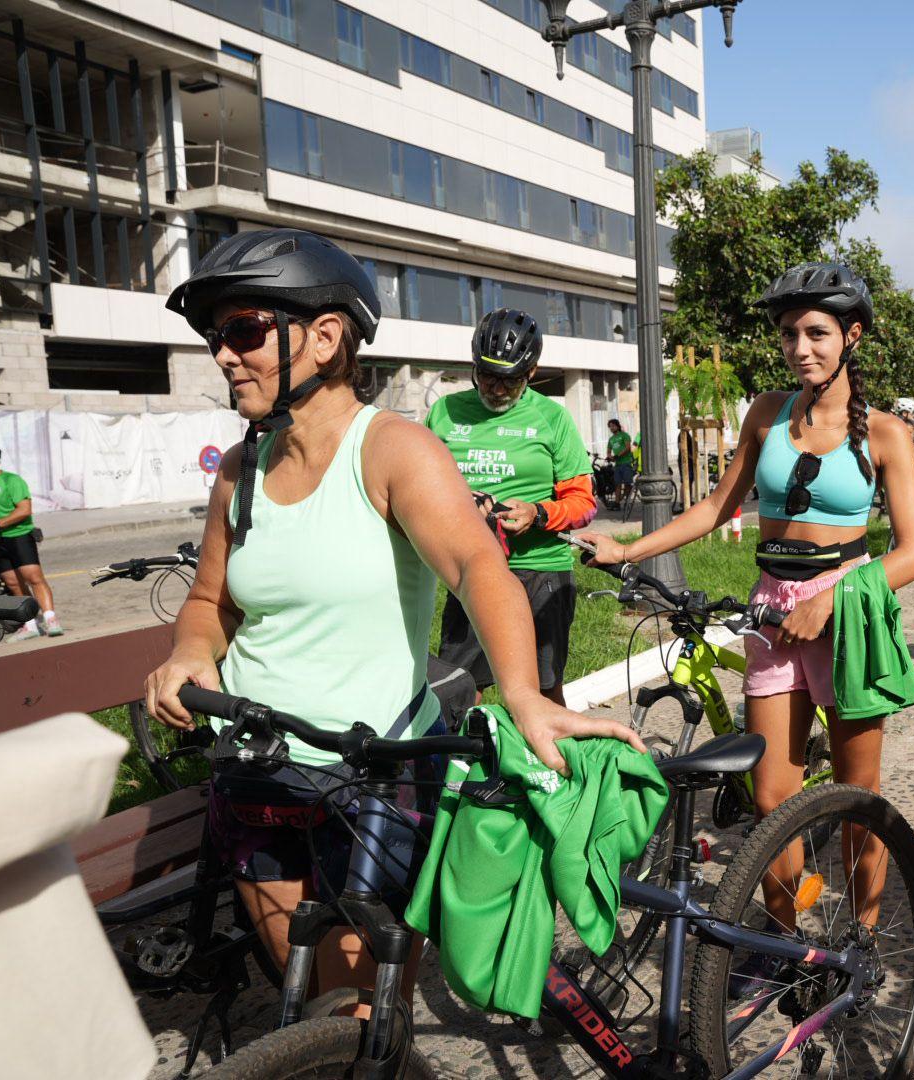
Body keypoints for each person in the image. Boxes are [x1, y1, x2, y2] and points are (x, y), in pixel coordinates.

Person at [143, 228, 641, 1011]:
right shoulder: (239, 471)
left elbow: (480, 566)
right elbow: (212, 602)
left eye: (243, 331)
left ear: (325, 336)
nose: (223, 355)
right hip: (256, 764)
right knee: (304, 1001)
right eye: (217, 336)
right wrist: (190, 655)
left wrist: (523, 694)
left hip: (367, 770)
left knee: (354, 1013)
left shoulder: (393, 451)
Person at [577, 261, 914, 978]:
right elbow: (716, 509)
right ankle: (784, 939)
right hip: (772, 612)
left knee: (860, 803)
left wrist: (835, 596)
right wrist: (627, 548)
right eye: (791, 334)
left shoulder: (887, 433)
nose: (801, 348)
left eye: (818, 333)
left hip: (848, 618)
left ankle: (859, 943)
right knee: (772, 796)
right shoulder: (766, 414)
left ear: (851, 336)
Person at [426, 309, 595, 707]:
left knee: (542, 690)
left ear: (532, 372)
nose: (496, 388)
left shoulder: (553, 418)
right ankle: (466, 767)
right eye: (486, 375)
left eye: (510, 379)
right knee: (460, 687)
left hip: (540, 569)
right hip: (469, 566)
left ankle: (550, 766)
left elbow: (583, 504)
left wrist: (537, 514)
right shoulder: (444, 414)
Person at [0, 443, 62, 640]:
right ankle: (30, 624)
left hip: (18, 535)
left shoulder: (10, 480)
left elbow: (24, 509)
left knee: (34, 577)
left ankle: (51, 619)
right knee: (13, 583)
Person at [606, 418, 637, 507]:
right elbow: (608, 451)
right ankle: (617, 503)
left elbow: (628, 448)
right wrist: (610, 457)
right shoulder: (611, 439)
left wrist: (618, 455)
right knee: (617, 484)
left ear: (617, 426)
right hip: (618, 465)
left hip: (627, 463)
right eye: (610, 427)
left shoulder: (624, 435)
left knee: (628, 483)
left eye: (613, 426)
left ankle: (626, 500)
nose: (611, 428)